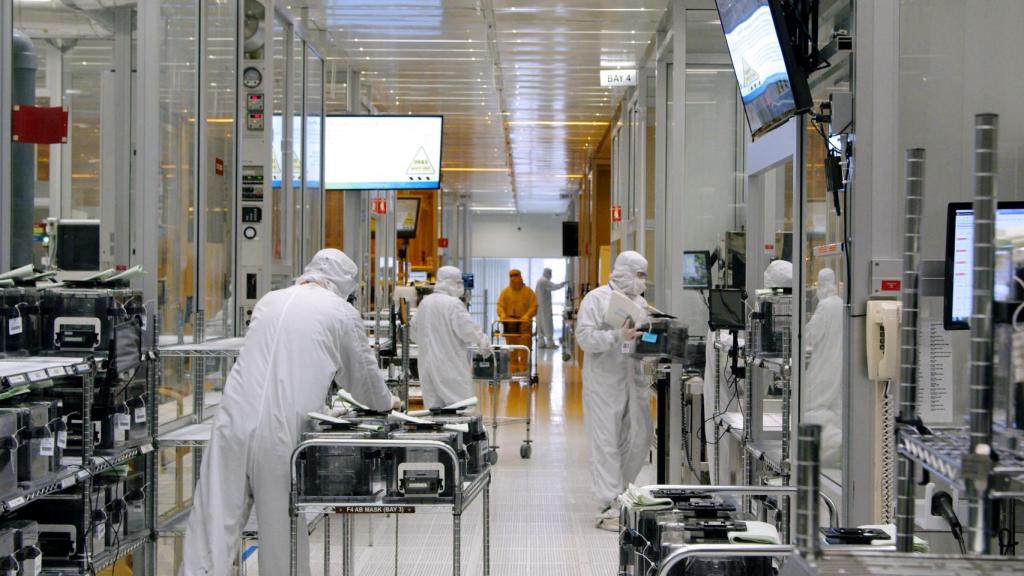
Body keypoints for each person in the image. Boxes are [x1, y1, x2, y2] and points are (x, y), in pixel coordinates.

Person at [181, 249, 399, 576]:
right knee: (282, 532)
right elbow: (363, 377)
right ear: (344, 284)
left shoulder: (270, 300)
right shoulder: (340, 311)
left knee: (213, 524)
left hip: (232, 421)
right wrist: (387, 402)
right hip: (282, 432)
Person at [576, 251, 652, 531]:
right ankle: (608, 506)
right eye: (639, 275)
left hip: (634, 380)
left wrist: (655, 337)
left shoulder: (640, 303)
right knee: (606, 445)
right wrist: (616, 336)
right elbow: (584, 339)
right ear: (623, 272)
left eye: (644, 275)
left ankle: (622, 494)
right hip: (604, 383)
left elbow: (646, 335)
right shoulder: (595, 299)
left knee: (639, 439)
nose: (642, 281)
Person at [413, 266, 493, 409]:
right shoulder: (453, 304)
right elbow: (468, 329)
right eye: (458, 283)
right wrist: (484, 344)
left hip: (427, 367)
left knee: (434, 415)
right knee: (461, 411)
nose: (460, 287)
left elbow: (413, 331)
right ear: (450, 283)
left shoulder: (425, 302)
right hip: (450, 367)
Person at [804, 267, 843, 468]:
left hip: (824, 362)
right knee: (834, 406)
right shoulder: (841, 304)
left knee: (814, 402)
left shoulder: (825, 306)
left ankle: (823, 452)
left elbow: (811, 335)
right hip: (838, 363)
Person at [496, 269, 537, 373]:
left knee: (524, 349)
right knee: (512, 349)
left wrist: (527, 316)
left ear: (520, 276)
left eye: (516, 276)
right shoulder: (505, 292)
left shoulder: (528, 292)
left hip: (524, 325)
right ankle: (513, 372)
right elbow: (500, 306)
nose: (514, 279)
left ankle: (524, 371)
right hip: (510, 325)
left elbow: (534, 306)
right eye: (512, 276)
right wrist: (503, 315)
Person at [535, 268, 567, 348]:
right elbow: (554, 287)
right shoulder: (544, 281)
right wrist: (563, 284)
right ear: (548, 273)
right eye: (550, 273)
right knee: (547, 324)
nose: (551, 275)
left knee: (540, 325)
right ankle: (550, 343)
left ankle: (541, 343)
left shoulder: (539, 280)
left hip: (539, 307)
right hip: (545, 307)